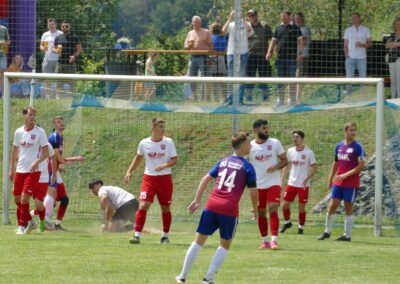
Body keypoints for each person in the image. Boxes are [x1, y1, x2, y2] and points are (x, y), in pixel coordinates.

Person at [175, 132, 258, 284]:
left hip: (211, 205)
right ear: (243, 146)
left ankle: (182, 276)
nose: (251, 145)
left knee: (198, 242)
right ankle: (208, 279)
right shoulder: (248, 167)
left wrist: (196, 200)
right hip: (229, 209)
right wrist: (256, 210)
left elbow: (205, 179)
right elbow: (253, 192)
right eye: (249, 143)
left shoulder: (224, 161)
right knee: (224, 245)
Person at [125, 118, 178, 244]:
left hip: (165, 179)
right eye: (160, 126)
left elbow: (174, 159)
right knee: (143, 205)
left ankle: (165, 236)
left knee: (165, 208)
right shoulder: (144, 143)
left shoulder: (169, 142)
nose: (163, 129)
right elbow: (138, 158)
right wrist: (129, 171)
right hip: (149, 178)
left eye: (164, 126)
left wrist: (164, 166)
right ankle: (137, 235)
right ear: (153, 128)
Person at [318, 122, 366, 241]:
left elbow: (361, 166)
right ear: (345, 132)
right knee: (332, 205)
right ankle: (327, 232)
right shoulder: (339, 146)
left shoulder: (358, 147)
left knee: (348, 206)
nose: (353, 132)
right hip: (339, 181)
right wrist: (330, 178)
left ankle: (347, 235)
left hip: (351, 182)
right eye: (351, 130)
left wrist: (346, 175)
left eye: (355, 130)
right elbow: (336, 163)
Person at [9, 106, 49, 234]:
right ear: (24, 116)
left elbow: (46, 152)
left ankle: (22, 226)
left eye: (34, 115)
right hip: (20, 170)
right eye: (30, 114)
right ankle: (30, 221)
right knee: (16, 199)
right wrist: (12, 169)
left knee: (24, 198)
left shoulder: (40, 132)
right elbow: (15, 150)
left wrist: (36, 162)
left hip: (33, 171)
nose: (32, 117)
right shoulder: (19, 132)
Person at [249, 119, 288, 249]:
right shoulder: (250, 146)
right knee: (261, 212)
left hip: (273, 182)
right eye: (263, 128)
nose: (266, 130)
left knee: (273, 207)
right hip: (258, 184)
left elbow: (284, 160)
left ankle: (274, 240)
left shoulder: (275, 143)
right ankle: (265, 241)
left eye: (267, 128)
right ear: (256, 130)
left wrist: (275, 167)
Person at [43, 116, 84, 230]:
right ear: (54, 125)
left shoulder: (61, 137)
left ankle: (56, 224)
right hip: (50, 169)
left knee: (63, 200)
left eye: (62, 121)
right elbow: (56, 157)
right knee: (52, 198)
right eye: (58, 122)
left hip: (54, 169)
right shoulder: (55, 136)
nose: (61, 124)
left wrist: (61, 165)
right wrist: (71, 160)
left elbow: (58, 157)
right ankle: (39, 219)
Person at [280, 130, 317, 234]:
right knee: (284, 205)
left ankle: (301, 228)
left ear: (302, 139)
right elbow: (288, 165)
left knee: (301, 208)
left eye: (297, 137)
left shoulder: (309, 153)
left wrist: (307, 178)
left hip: (303, 185)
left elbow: (314, 168)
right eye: (294, 137)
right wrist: (282, 177)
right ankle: (287, 222)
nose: (295, 139)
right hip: (291, 183)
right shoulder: (291, 151)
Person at [266, 10, 304, 106]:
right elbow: (273, 41)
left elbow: (301, 41)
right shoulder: (278, 28)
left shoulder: (295, 28)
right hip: (280, 58)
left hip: (291, 59)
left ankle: (291, 99)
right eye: (281, 16)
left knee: (291, 79)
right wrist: (269, 52)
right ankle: (280, 99)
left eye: (284, 16)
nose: (282, 17)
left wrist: (299, 54)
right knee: (280, 79)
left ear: (289, 17)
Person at [222, 10, 252, 105]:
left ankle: (240, 98)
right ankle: (230, 98)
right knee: (230, 76)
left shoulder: (246, 23)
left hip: (243, 53)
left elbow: (249, 29)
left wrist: (242, 18)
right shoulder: (231, 24)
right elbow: (223, 31)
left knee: (241, 76)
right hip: (231, 53)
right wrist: (230, 17)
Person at [246, 9, 273, 103]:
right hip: (250, 56)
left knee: (264, 77)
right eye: (249, 16)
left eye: (252, 15)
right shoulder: (246, 27)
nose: (251, 17)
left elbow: (272, 39)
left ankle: (265, 98)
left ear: (256, 15)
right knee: (250, 78)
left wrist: (270, 52)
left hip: (263, 56)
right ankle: (249, 98)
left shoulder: (265, 25)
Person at [184, 16, 212, 101]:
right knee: (192, 77)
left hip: (203, 57)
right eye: (194, 22)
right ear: (192, 23)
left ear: (200, 23)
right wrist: (188, 46)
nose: (195, 23)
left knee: (204, 77)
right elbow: (185, 45)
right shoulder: (190, 33)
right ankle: (194, 97)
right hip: (192, 57)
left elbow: (211, 45)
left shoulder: (206, 32)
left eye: (197, 22)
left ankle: (204, 98)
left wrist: (209, 53)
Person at [30, 142, 57, 232]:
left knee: (41, 202)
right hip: (30, 175)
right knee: (23, 199)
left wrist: (54, 174)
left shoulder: (47, 145)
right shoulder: (29, 143)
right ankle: (25, 222)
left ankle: (44, 221)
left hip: (44, 177)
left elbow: (54, 158)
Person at [343, 12, 372, 94]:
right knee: (349, 79)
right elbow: (345, 44)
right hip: (350, 57)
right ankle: (348, 96)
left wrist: (362, 44)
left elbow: (370, 43)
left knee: (362, 78)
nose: (354, 19)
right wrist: (346, 55)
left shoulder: (366, 29)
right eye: (352, 18)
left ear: (359, 18)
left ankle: (362, 97)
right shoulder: (348, 30)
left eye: (356, 17)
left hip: (362, 58)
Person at [53, 20, 82, 95]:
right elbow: (54, 48)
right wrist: (56, 50)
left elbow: (79, 49)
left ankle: (71, 99)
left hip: (71, 64)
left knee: (72, 83)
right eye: (63, 26)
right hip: (60, 64)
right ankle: (59, 100)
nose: (64, 27)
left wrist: (74, 56)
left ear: (70, 27)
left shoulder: (74, 37)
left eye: (66, 26)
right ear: (61, 27)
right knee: (59, 83)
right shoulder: (58, 37)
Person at [40, 18, 63, 98]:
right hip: (47, 59)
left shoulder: (60, 33)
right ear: (48, 25)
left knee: (58, 79)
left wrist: (58, 50)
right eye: (49, 25)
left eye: (52, 24)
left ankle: (58, 97)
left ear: (55, 25)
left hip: (58, 60)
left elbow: (64, 45)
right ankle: (48, 97)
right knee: (47, 79)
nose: (51, 26)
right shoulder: (45, 34)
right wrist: (43, 48)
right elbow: (41, 46)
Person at [207, 22, 227, 101]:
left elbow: (210, 48)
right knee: (222, 78)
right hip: (221, 58)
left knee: (214, 78)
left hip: (212, 58)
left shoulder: (211, 37)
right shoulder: (223, 38)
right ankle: (225, 97)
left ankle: (216, 98)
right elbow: (225, 48)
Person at [294, 12, 312, 102]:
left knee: (299, 76)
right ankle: (293, 97)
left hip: (302, 56)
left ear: (302, 19)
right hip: (293, 56)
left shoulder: (305, 29)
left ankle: (298, 98)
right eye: (295, 19)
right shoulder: (294, 29)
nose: (296, 20)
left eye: (298, 19)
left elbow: (302, 42)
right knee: (294, 76)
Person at [385, 18, 400, 98]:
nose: (398, 25)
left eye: (399, 24)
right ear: (394, 25)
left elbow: (397, 44)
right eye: (397, 24)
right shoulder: (392, 35)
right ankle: (393, 98)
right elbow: (386, 46)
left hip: (399, 59)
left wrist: (393, 44)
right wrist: (396, 44)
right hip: (391, 59)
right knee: (393, 80)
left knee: (399, 80)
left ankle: (399, 99)